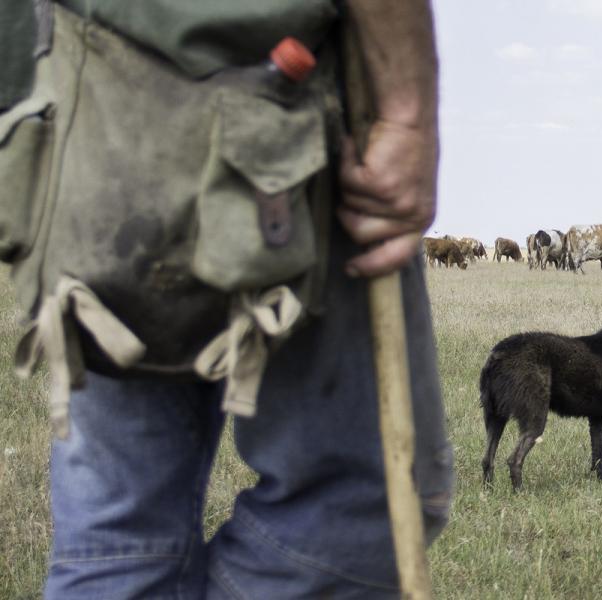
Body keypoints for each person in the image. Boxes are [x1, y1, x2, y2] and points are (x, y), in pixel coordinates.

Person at [2, 0, 454, 596]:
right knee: (363, 510)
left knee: (119, 540)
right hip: (272, 105)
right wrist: (407, 115)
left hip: (67, 91)